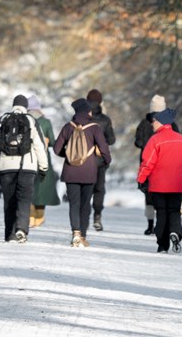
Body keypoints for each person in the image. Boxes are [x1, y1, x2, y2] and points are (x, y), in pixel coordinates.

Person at [0, 95, 49, 243]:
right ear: (26, 107)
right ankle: (21, 229)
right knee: (24, 200)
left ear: (13, 105)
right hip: (27, 168)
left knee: (9, 202)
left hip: (6, 168)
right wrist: (43, 167)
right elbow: (39, 146)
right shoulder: (31, 121)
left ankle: (9, 235)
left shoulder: (2, 119)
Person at [54, 98, 112, 247]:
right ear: (87, 111)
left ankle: (76, 234)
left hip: (70, 171)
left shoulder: (68, 127)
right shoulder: (95, 128)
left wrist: (69, 156)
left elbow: (56, 149)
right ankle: (83, 236)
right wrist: (105, 162)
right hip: (89, 171)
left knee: (74, 204)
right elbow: (104, 149)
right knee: (85, 205)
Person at [137, 108, 182, 254]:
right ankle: (175, 232)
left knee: (161, 213)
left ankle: (162, 245)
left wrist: (141, 180)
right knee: (174, 211)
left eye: (154, 121)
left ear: (162, 122)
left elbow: (147, 162)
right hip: (176, 185)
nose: (152, 124)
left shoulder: (155, 140)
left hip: (158, 186)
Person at [134, 94, 172, 236]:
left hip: (148, 164)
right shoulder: (171, 124)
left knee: (149, 195)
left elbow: (137, 142)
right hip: (166, 164)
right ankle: (161, 224)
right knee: (164, 194)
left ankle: (150, 225)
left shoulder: (144, 123)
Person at [26, 95, 60, 228]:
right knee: (43, 186)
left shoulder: (24, 120)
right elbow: (52, 142)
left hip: (27, 158)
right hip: (43, 158)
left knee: (28, 185)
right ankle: (39, 216)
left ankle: (30, 215)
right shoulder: (46, 122)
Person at [85, 89, 116, 232]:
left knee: (85, 188)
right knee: (99, 189)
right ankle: (97, 216)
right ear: (100, 102)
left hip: (83, 160)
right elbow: (111, 140)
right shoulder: (105, 120)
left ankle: (83, 216)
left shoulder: (80, 117)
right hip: (100, 160)